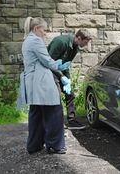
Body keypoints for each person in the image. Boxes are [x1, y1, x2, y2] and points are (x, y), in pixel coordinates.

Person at [17, 16, 72, 154]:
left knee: (36, 114)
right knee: (54, 112)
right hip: (40, 82)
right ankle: (55, 145)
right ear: (36, 28)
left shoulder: (27, 40)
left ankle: (34, 145)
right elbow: (47, 61)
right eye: (44, 30)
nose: (45, 33)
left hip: (33, 81)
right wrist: (60, 65)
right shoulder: (36, 41)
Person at [47, 29, 92, 130]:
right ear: (79, 38)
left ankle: (71, 121)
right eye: (85, 42)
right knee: (56, 96)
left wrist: (68, 80)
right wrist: (61, 76)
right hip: (47, 71)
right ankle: (56, 124)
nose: (86, 45)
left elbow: (66, 65)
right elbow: (48, 62)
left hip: (58, 70)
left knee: (70, 94)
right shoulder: (61, 42)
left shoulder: (75, 48)